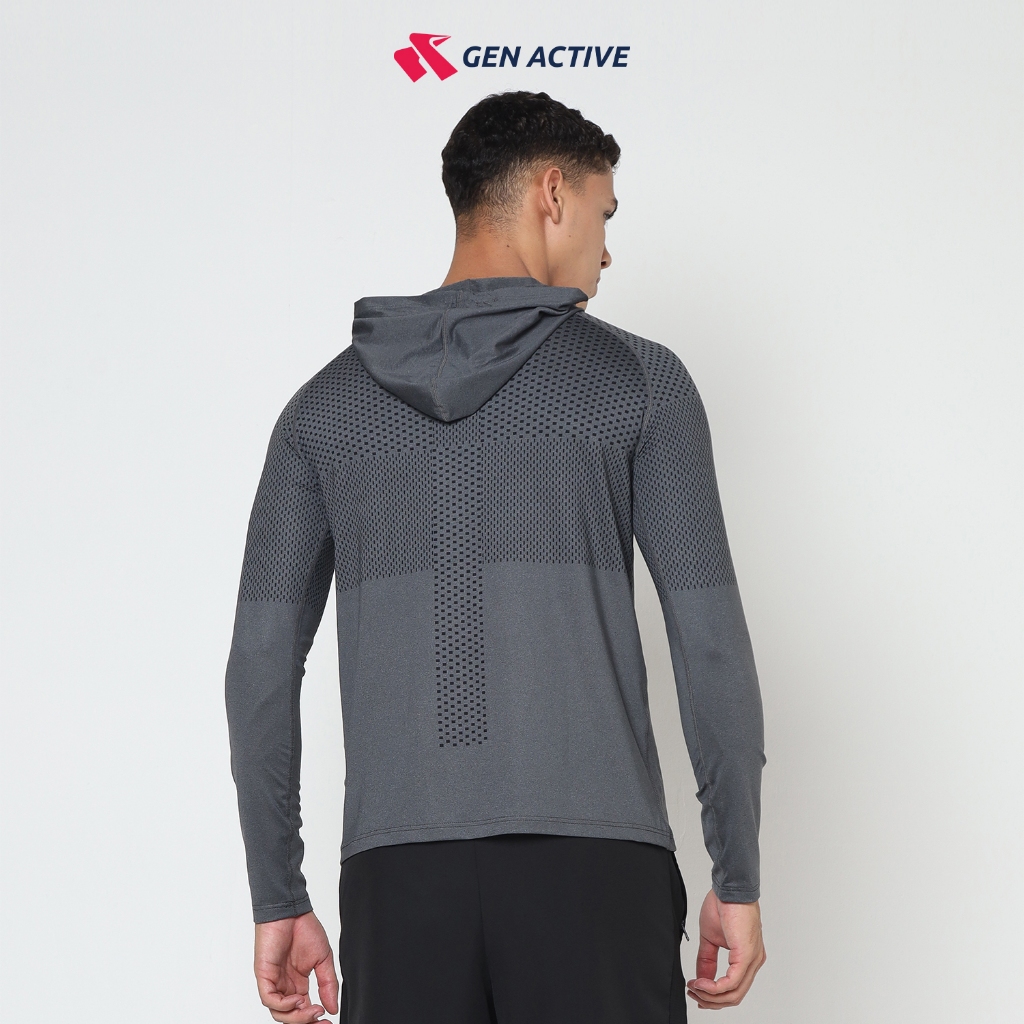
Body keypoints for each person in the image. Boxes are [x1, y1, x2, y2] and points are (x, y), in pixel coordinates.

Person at [225, 90, 766, 1024]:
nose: (606, 250)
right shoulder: (640, 382)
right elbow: (710, 645)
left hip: (398, 885)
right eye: (603, 213)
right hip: (599, 876)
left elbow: (258, 670)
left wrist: (280, 893)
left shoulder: (323, 411)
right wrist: (738, 874)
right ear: (552, 193)